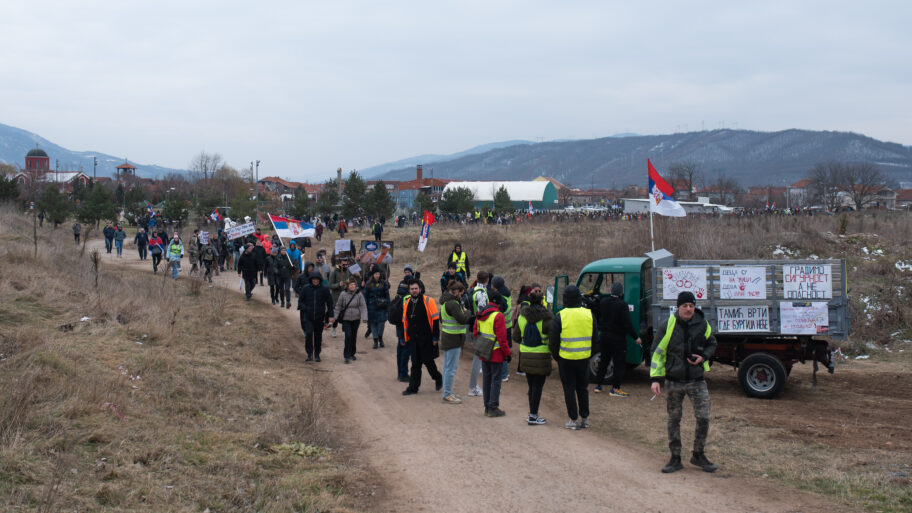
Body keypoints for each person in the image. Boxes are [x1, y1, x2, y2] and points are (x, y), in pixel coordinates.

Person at [650, 291, 719, 474]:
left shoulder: (702, 324)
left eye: (691, 305)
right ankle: (675, 458)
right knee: (674, 420)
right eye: (685, 306)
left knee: (703, 417)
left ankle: (698, 454)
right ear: (678, 307)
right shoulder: (668, 325)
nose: (688, 309)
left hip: (697, 380)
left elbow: (712, 343)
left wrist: (703, 357)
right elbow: (656, 352)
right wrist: (655, 379)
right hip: (674, 381)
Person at [550, 285, 597, 430]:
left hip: (566, 359)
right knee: (583, 388)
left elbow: (553, 341)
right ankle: (585, 418)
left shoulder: (560, 316)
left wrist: (557, 357)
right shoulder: (589, 314)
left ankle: (573, 419)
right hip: (583, 358)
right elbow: (595, 338)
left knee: (569, 389)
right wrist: (590, 354)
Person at [514, 283, 553, 425]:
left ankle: (532, 413)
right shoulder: (547, 318)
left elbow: (516, 337)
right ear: (542, 301)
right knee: (538, 386)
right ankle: (533, 415)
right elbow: (553, 337)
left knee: (531, 386)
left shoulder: (522, 317)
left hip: (525, 355)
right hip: (541, 356)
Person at [595, 282, 642, 396]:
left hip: (604, 336)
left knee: (604, 360)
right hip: (617, 338)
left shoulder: (603, 302)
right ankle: (615, 388)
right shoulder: (622, 305)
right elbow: (627, 324)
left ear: (611, 291)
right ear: (621, 293)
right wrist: (636, 337)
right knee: (619, 363)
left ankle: (598, 386)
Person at [401, 279, 443, 395]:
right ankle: (413, 387)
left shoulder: (429, 301)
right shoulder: (407, 303)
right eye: (412, 289)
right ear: (409, 290)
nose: (414, 291)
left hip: (426, 338)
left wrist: (435, 337)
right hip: (413, 339)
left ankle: (438, 378)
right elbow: (404, 321)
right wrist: (404, 337)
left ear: (420, 289)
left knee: (428, 362)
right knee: (415, 364)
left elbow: (435, 320)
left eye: (416, 289)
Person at [474, 290, 510, 417]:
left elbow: (475, 332)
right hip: (496, 353)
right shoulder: (498, 316)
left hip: (484, 351)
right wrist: (507, 353)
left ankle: (486, 407)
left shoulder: (480, 313)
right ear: (499, 303)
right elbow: (502, 338)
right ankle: (493, 407)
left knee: (487, 379)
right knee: (496, 380)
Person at [439, 280, 473, 404]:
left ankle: (447, 392)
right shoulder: (453, 304)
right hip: (454, 339)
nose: (462, 295)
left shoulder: (444, 302)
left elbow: (442, 319)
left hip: (448, 338)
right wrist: (467, 311)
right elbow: (463, 319)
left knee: (447, 367)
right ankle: (447, 394)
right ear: (457, 291)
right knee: (451, 368)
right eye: (461, 293)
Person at [295, 272, 335, 361]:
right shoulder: (306, 289)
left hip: (319, 317)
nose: (315, 281)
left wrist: (331, 315)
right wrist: (305, 308)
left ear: (319, 280)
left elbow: (330, 303)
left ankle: (317, 354)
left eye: (317, 279)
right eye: (314, 279)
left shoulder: (324, 290)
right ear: (311, 280)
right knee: (308, 334)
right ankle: (309, 353)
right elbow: (300, 302)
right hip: (308, 317)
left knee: (318, 336)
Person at [388, 265, 415, 382]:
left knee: (400, 349)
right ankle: (403, 374)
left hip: (400, 324)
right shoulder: (407, 295)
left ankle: (401, 373)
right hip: (404, 326)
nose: (407, 273)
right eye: (406, 272)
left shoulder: (400, 288)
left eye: (408, 272)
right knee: (404, 350)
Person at [467, 271, 490, 397]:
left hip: (473, 326)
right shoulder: (481, 293)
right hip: (480, 328)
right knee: (478, 358)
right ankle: (472, 387)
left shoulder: (473, 289)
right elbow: (483, 313)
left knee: (481, 358)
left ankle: (477, 386)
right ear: (487, 280)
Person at [335, 279, 368, 363]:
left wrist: (365, 317)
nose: (352, 286)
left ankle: (352, 353)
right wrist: (335, 316)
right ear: (347, 286)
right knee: (348, 336)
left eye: (354, 284)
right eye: (351, 284)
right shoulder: (343, 294)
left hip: (356, 319)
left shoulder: (359, 294)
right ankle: (346, 355)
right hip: (346, 319)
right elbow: (338, 306)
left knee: (353, 336)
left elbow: (363, 306)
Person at [490, 276, 513, 382]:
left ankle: (503, 374)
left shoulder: (500, 297)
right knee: (504, 347)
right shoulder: (507, 293)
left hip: (501, 325)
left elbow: (500, 311)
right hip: (507, 325)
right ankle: (504, 373)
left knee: (500, 349)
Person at [364, 270, 390, 349]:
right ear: (373, 274)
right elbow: (365, 295)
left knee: (381, 323)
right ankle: (375, 341)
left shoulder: (384, 283)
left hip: (381, 306)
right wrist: (365, 306)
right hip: (371, 306)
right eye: (375, 273)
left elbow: (387, 295)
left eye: (378, 273)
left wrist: (388, 306)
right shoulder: (368, 283)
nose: (377, 275)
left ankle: (380, 338)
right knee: (373, 324)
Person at [328, 258, 353, 338]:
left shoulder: (348, 271)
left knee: (345, 316)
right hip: (336, 298)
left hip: (346, 297)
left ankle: (344, 331)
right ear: (339, 264)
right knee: (336, 315)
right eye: (343, 264)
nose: (345, 265)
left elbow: (351, 281)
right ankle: (334, 329)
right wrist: (338, 285)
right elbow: (330, 285)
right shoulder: (334, 272)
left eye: (346, 264)